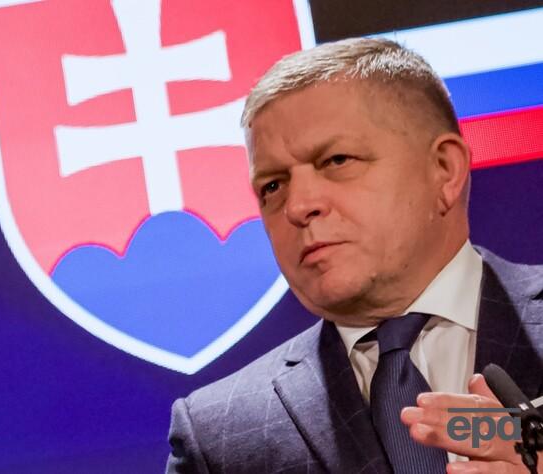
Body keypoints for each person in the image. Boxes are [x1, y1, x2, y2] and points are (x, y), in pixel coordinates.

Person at [165, 38, 543, 473]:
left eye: (337, 160)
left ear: (444, 169)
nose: (297, 206)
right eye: (272, 186)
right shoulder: (221, 437)